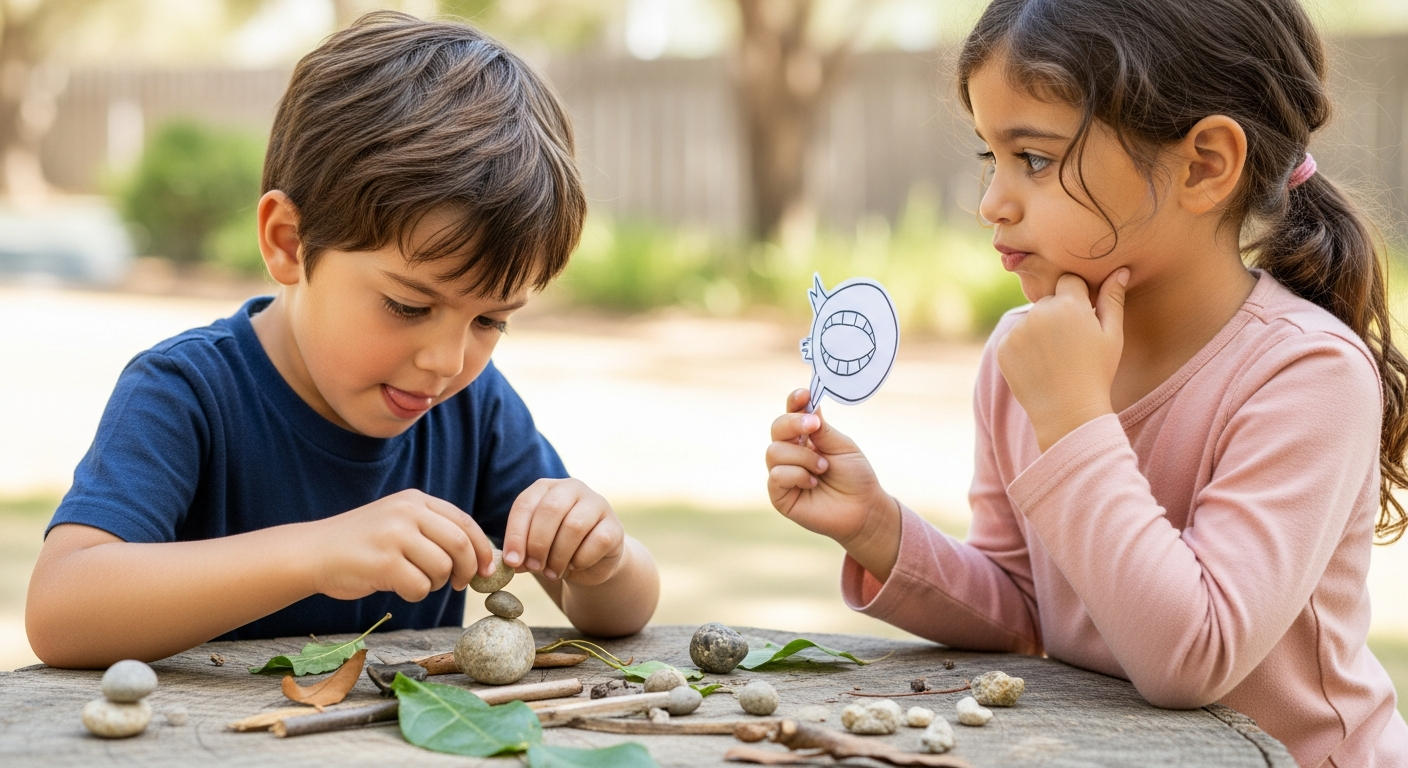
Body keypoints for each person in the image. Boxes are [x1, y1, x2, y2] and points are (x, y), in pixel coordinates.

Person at [765, 0, 1408, 764]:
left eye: (1033, 160)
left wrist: (1074, 417)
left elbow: (1192, 654)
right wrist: (877, 527)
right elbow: (1028, 609)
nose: (992, 203)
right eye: (989, 158)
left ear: (1204, 164)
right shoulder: (1025, 357)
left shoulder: (1306, 375)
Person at [26, 12, 659, 669]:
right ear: (288, 244)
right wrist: (316, 553)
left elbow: (619, 613)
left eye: (490, 321)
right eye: (409, 305)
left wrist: (602, 558)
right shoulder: (187, 394)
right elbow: (61, 612)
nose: (446, 363)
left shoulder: (475, 411)